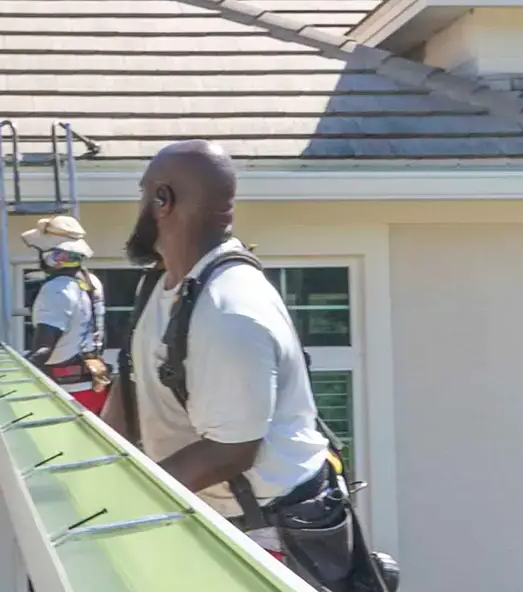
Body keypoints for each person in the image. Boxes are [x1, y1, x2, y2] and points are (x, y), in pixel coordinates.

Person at [102, 140, 334, 558]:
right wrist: (97, 469)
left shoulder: (229, 309)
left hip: (269, 536)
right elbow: (134, 379)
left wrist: (122, 506)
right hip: (210, 514)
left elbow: (232, 450)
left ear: (162, 200)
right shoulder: (164, 285)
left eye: (143, 194)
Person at [22, 214, 110, 415]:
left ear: (53, 257)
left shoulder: (56, 289)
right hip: (93, 384)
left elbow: (44, 348)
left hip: (66, 394)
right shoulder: (91, 281)